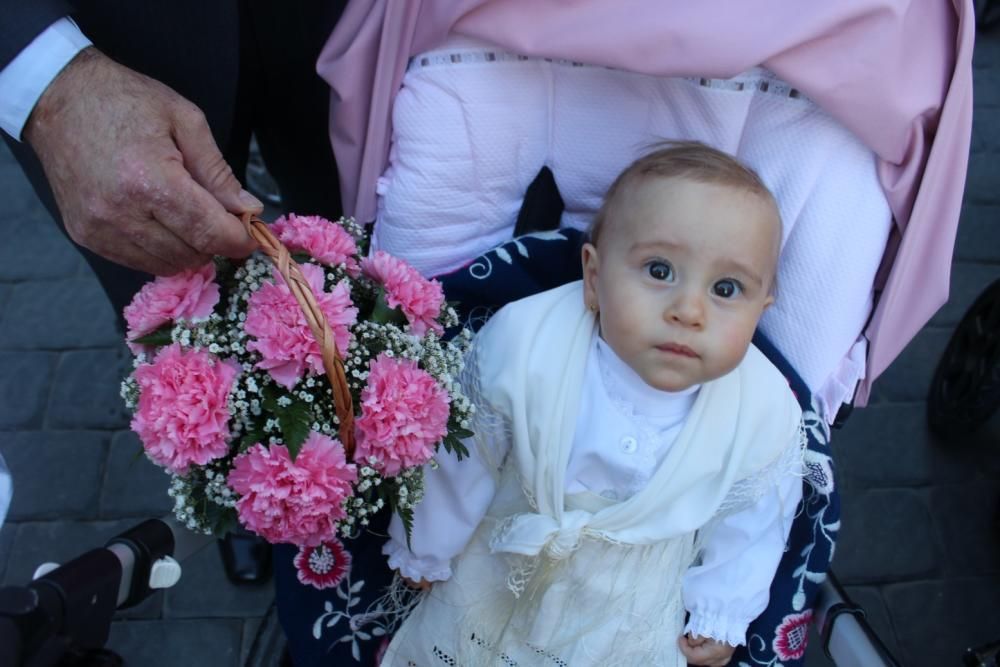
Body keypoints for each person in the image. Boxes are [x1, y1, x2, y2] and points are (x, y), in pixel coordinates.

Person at [380, 142, 806, 667]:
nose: (689, 310)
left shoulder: (760, 412)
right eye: (658, 270)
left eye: (726, 287)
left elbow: (754, 520)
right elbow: (467, 454)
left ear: (761, 310)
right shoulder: (529, 344)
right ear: (594, 276)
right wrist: (427, 545)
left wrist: (721, 610)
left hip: (632, 605)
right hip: (498, 568)